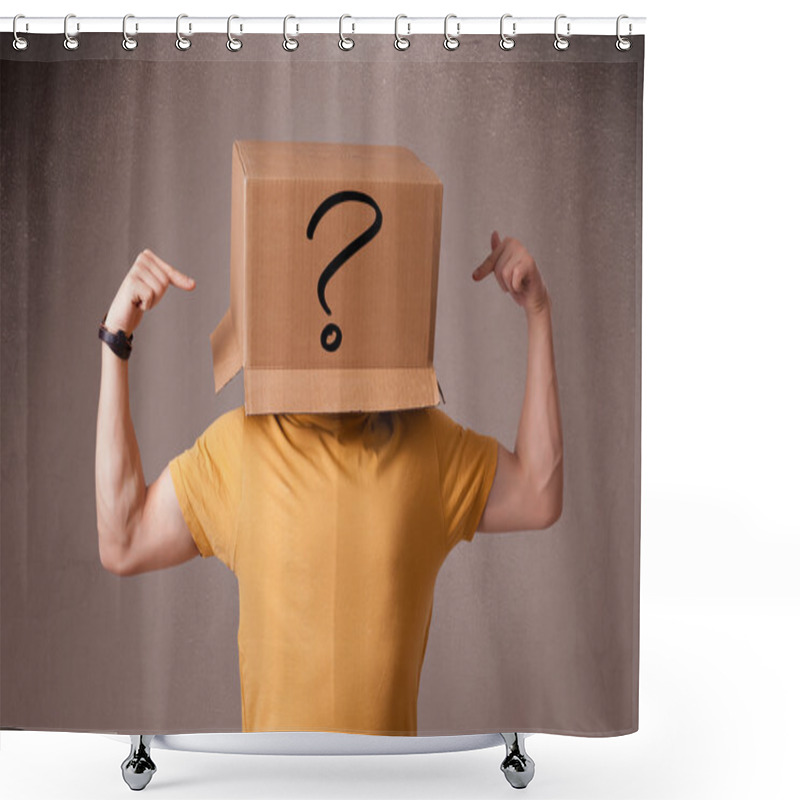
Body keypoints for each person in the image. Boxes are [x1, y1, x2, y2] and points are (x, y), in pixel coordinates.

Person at [95, 232, 564, 735]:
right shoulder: (239, 448)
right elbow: (123, 542)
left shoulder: (426, 445)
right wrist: (115, 341)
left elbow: (538, 494)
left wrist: (537, 312)